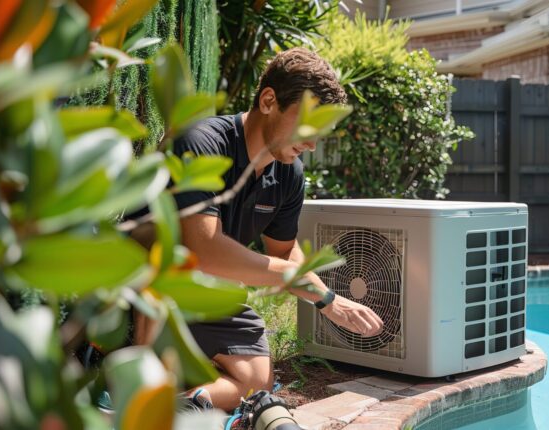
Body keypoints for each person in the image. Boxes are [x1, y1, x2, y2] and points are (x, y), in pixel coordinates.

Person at [157, 47, 384, 412]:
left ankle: (179, 404)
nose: (311, 145)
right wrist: (324, 299)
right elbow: (206, 252)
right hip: (154, 285)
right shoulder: (202, 143)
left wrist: (328, 299)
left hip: (210, 294)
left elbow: (282, 252)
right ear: (268, 101)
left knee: (257, 381)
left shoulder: (289, 174)